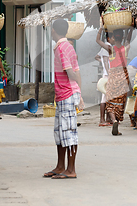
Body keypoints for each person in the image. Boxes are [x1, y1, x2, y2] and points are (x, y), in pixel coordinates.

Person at [44, 19, 81, 179]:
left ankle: (70, 169)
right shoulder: (67, 46)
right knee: (60, 132)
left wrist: (77, 92)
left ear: (54, 30)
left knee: (68, 132)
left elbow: (71, 72)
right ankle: (60, 166)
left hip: (67, 94)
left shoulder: (62, 48)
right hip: (64, 94)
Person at [96, 24, 133, 136]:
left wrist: (101, 28)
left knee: (110, 100)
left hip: (113, 75)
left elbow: (97, 40)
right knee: (120, 101)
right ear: (121, 37)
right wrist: (131, 27)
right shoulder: (125, 48)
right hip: (123, 76)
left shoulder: (110, 49)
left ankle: (113, 120)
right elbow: (128, 39)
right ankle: (117, 119)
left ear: (113, 37)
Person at [95, 31, 113, 127]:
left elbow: (96, 57)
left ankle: (107, 118)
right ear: (109, 38)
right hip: (107, 76)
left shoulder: (104, 48)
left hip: (106, 75)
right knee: (105, 98)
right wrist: (108, 72)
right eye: (113, 37)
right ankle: (102, 119)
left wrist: (101, 61)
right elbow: (106, 61)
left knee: (107, 97)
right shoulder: (107, 47)